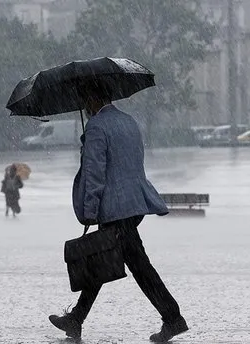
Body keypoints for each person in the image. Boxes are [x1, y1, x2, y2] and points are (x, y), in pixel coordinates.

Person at [48, 83, 188, 342]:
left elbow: (95, 174)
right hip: (133, 204)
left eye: (84, 100)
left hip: (114, 209)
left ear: (92, 97)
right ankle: (76, 319)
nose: (84, 107)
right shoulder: (128, 122)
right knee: (102, 261)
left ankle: (173, 318)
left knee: (137, 266)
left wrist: (90, 211)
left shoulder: (97, 127)